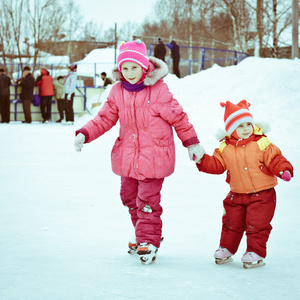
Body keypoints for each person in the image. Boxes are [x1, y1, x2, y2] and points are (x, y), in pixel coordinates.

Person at [74, 40, 205, 265]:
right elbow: (104, 118)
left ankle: (147, 240)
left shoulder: (158, 90)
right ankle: (143, 232)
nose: (130, 73)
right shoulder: (117, 92)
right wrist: (85, 133)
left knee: (147, 200)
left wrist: (192, 143)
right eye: (125, 68)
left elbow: (179, 118)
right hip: (128, 156)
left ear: (145, 67)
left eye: (134, 67)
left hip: (154, 158)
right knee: (128, 197)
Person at [195, 100, 294, 268]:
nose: (246, 129)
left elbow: (275, 159)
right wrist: (201, 159)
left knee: (257, 224)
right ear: (231, 129)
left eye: (249, 124)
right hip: (237, 194)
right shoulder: (225, 148)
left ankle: (255, 252)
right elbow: (217, 165)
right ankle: (226, 248)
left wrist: (284, 170)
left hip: (263, 194)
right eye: (240, 126)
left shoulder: (261, 143)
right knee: (231, 222)